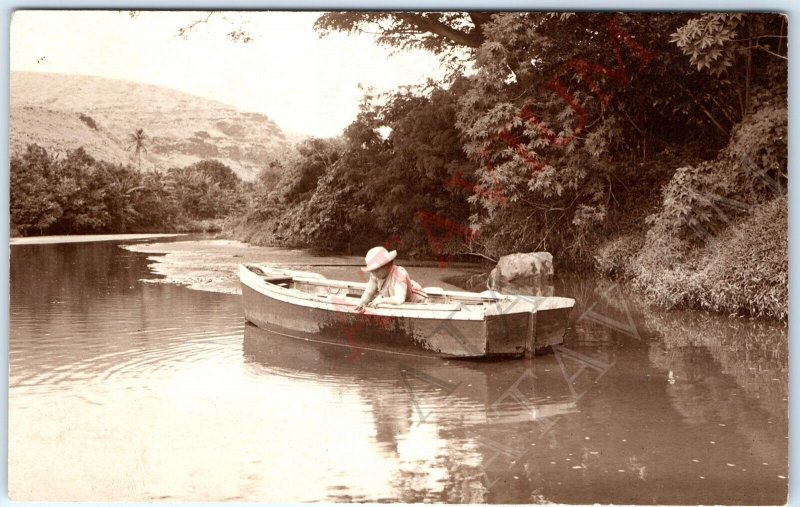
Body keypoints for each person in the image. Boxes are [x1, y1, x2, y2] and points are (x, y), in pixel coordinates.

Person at [354, 246, 428, 312]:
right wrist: (362, 302)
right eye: (372, 271)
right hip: (393, 301)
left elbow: (399, 299)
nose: (373, 274)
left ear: (387, 265)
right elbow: (369, 292)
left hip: (416, 304)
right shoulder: (375, 275)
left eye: (376, 270)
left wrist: (381, 301)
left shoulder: (399, 273)